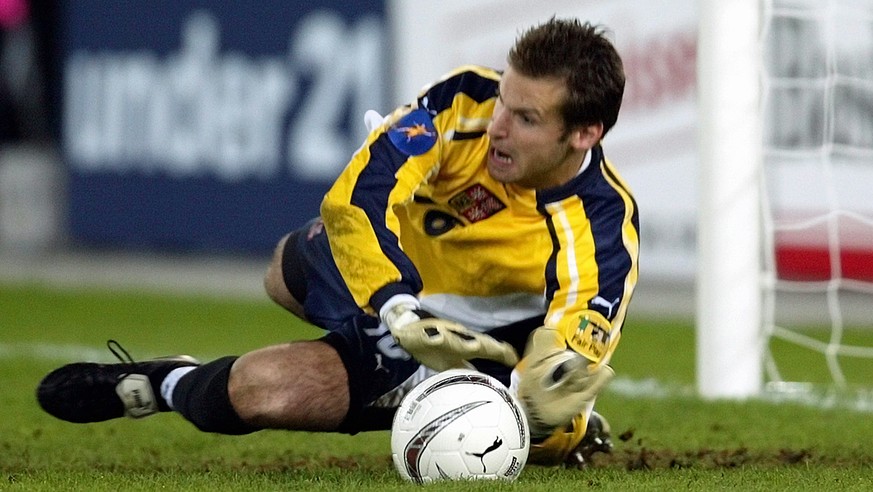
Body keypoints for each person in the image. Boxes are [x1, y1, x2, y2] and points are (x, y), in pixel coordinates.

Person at [37, 17, 638, 468]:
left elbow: (568, 354)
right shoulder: (463, 105)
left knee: (262, 392)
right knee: (287, 266)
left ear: (584, 133)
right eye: (505, 101)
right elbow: (357, 198)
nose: (499, 128)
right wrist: (397, 307)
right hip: (398, 295)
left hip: (481, 349)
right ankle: (397, 369)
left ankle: (162, 384)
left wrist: (536, 398)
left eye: (527, 119)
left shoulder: (604, 228)